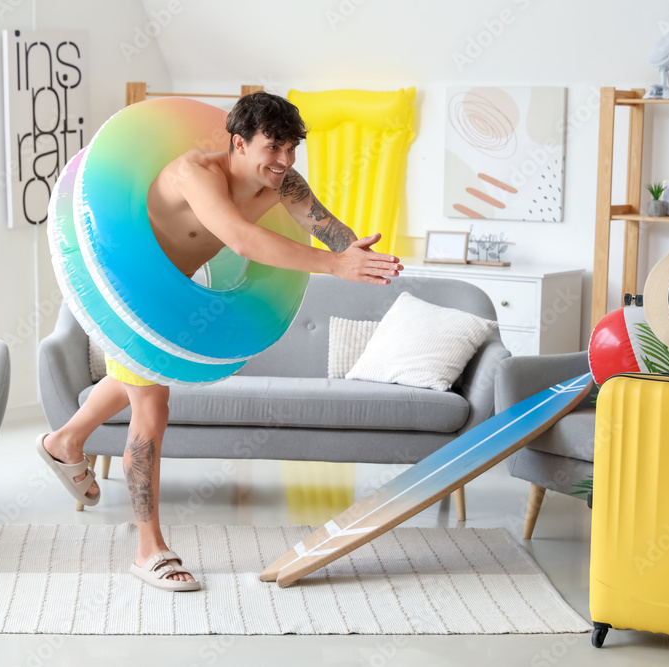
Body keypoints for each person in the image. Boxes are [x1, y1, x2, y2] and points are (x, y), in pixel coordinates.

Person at [36, 91, 403, 591]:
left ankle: (64, 441)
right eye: (273, 147)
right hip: (132, 290)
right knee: (152, 412)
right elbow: (241, 240)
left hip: (175, 298)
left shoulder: (284, 183)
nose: (284, 160)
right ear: (239, 142)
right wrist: (336, 266)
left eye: (291, 148)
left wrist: (357, 253)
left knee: (138, 382)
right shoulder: (195, 173)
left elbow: (323, 225)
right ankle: (148, 550)